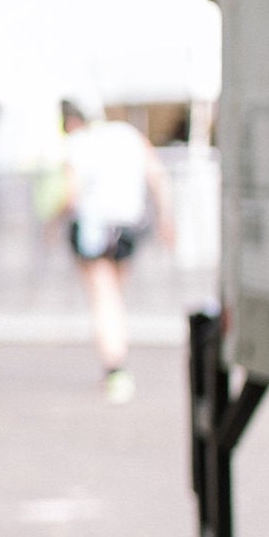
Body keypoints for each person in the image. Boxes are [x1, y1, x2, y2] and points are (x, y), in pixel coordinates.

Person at [59, 98, 171, 402]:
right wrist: (166, 218)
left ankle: (115, 367)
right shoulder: (128, 135)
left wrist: (53, 220)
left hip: (94, 230)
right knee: (115, 298)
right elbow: (157, 176)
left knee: (104, 300)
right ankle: (115, 355)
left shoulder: (77, 144)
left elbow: (70, 195)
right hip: (128, 228)